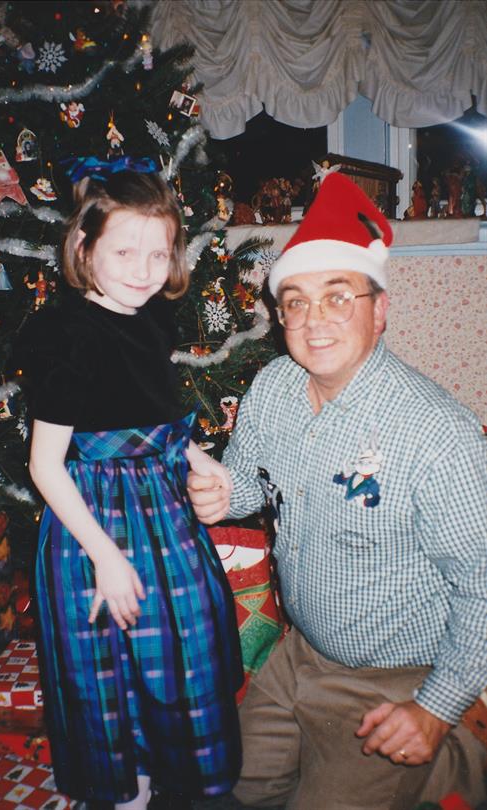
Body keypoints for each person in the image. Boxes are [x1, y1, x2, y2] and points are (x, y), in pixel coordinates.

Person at [187, 172, 487, 810]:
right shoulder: (272, 387)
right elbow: (254, 486)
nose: (313, 319)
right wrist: (224, 494)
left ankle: (460, 750)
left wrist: (435, 709)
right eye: (294, 300)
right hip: (300, 656)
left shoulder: (439, 436)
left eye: (337, 296)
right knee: (219, 787)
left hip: (396, 679)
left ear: (380, 310)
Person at [14, 166, 243, 810]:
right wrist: (106, 557)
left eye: (158, 252)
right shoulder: (69, 336)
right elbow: (46, 466)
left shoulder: (151, 323)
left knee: (181, 646)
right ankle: (124, 795)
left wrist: (200, 458)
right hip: (94, 527)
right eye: (124, 251)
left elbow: (150, 420)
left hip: (164, 516)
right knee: (108, 675)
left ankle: (171, 779)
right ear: (85, 249)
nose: (144, 269)